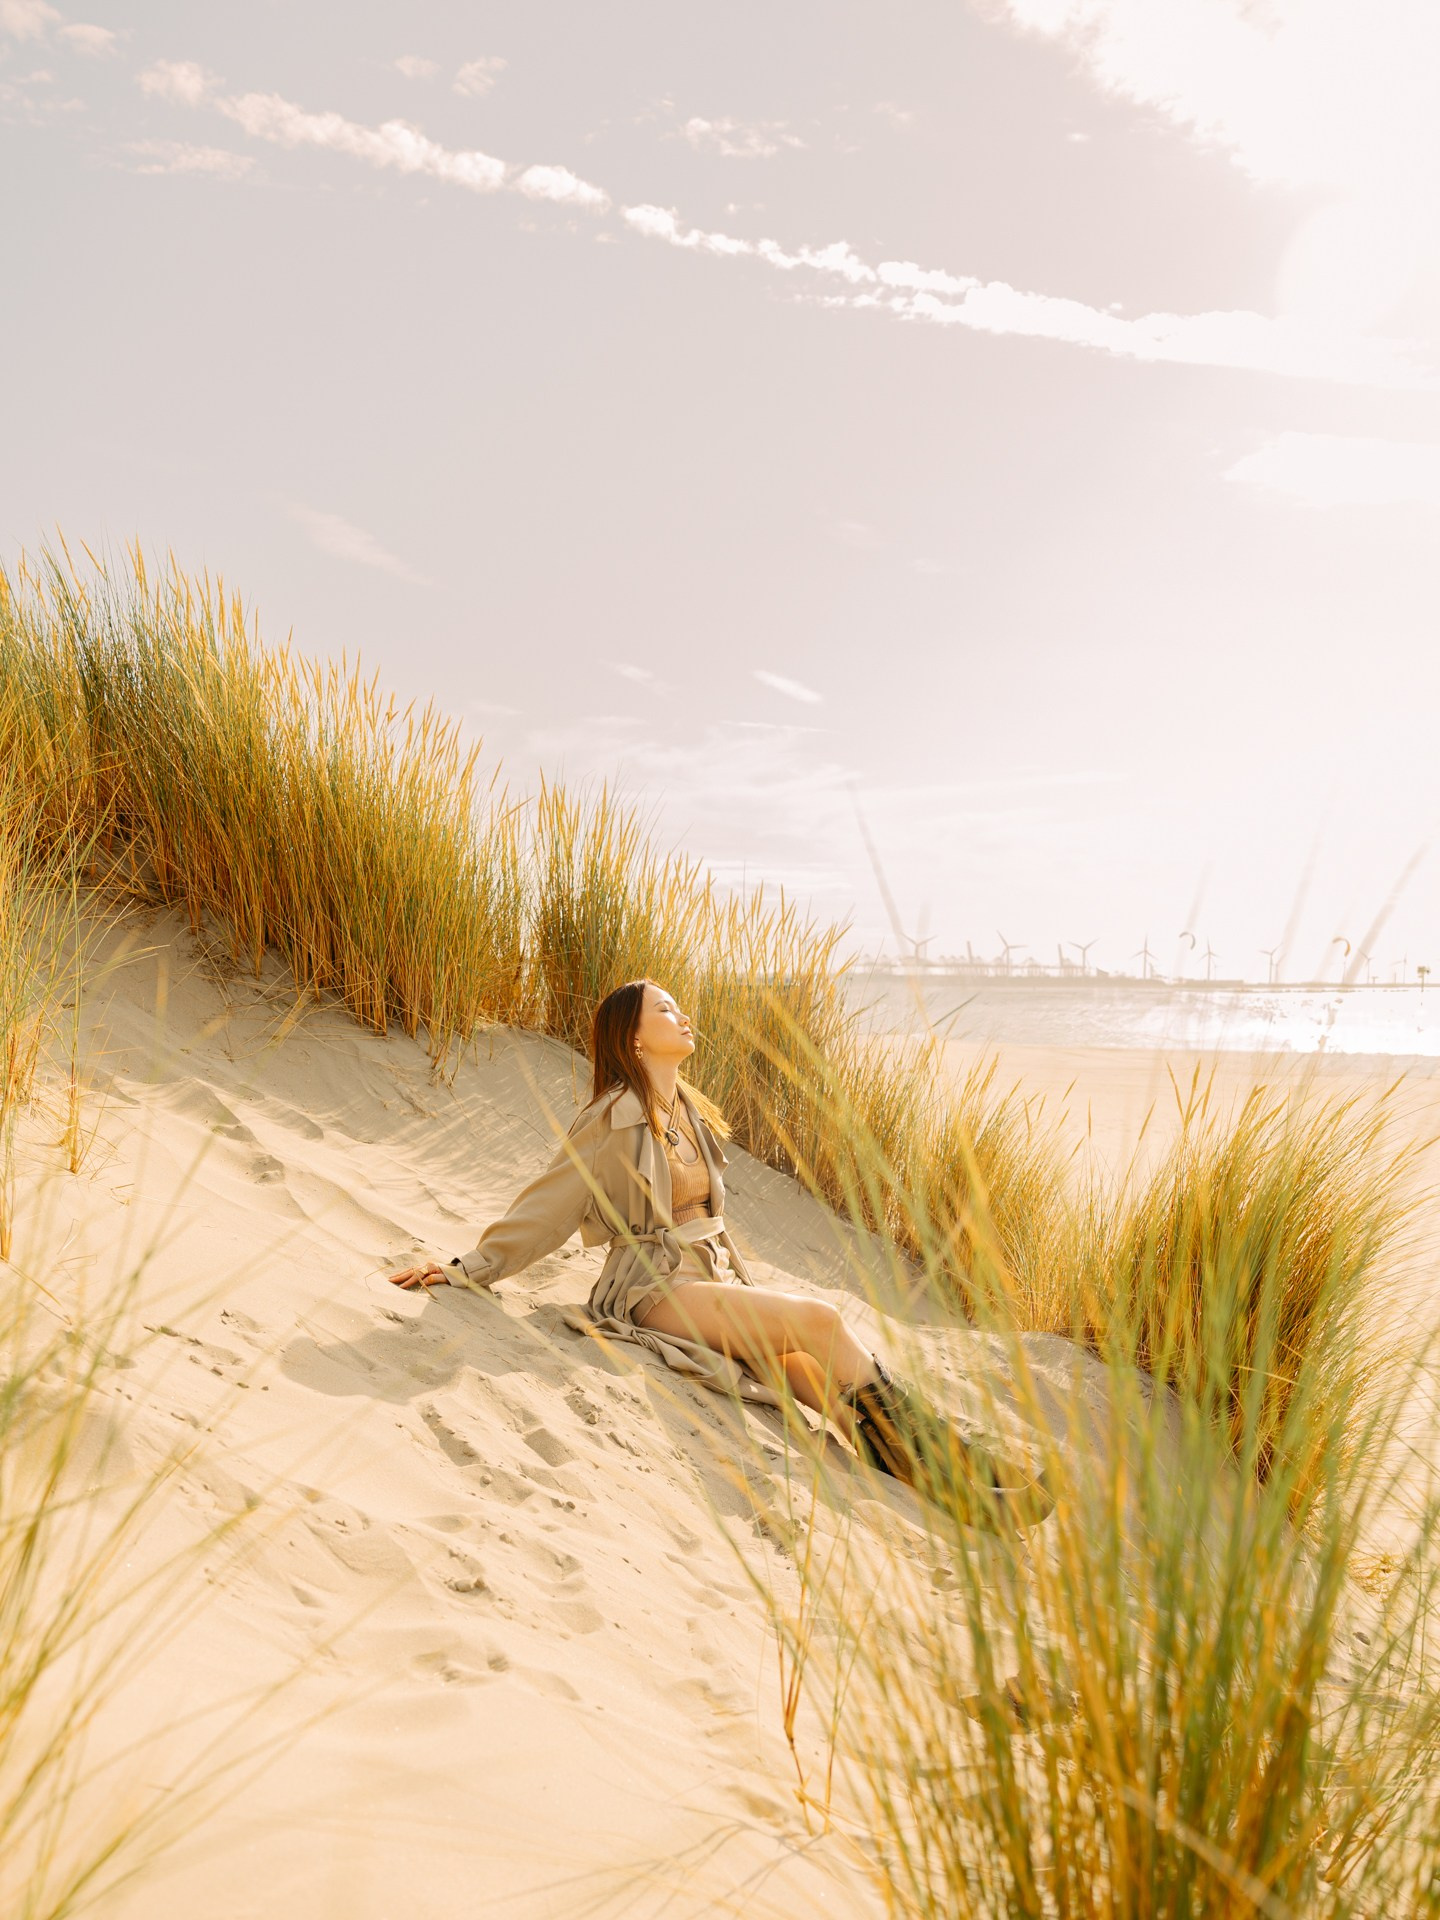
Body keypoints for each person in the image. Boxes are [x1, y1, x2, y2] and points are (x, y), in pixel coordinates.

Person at [389, 979, 1052, 1529]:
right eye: (666, 1010)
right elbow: (549, 1207)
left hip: (708, 1280)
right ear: (635, 1036)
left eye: (681, 1006)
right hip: (653, 1289)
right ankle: (951, 1463)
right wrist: (467, 1269)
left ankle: (956, 1477)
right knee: (821, 1322)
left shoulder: (687, 1112)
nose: (685, 1017)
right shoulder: (611, 1115)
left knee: (821, 1385)